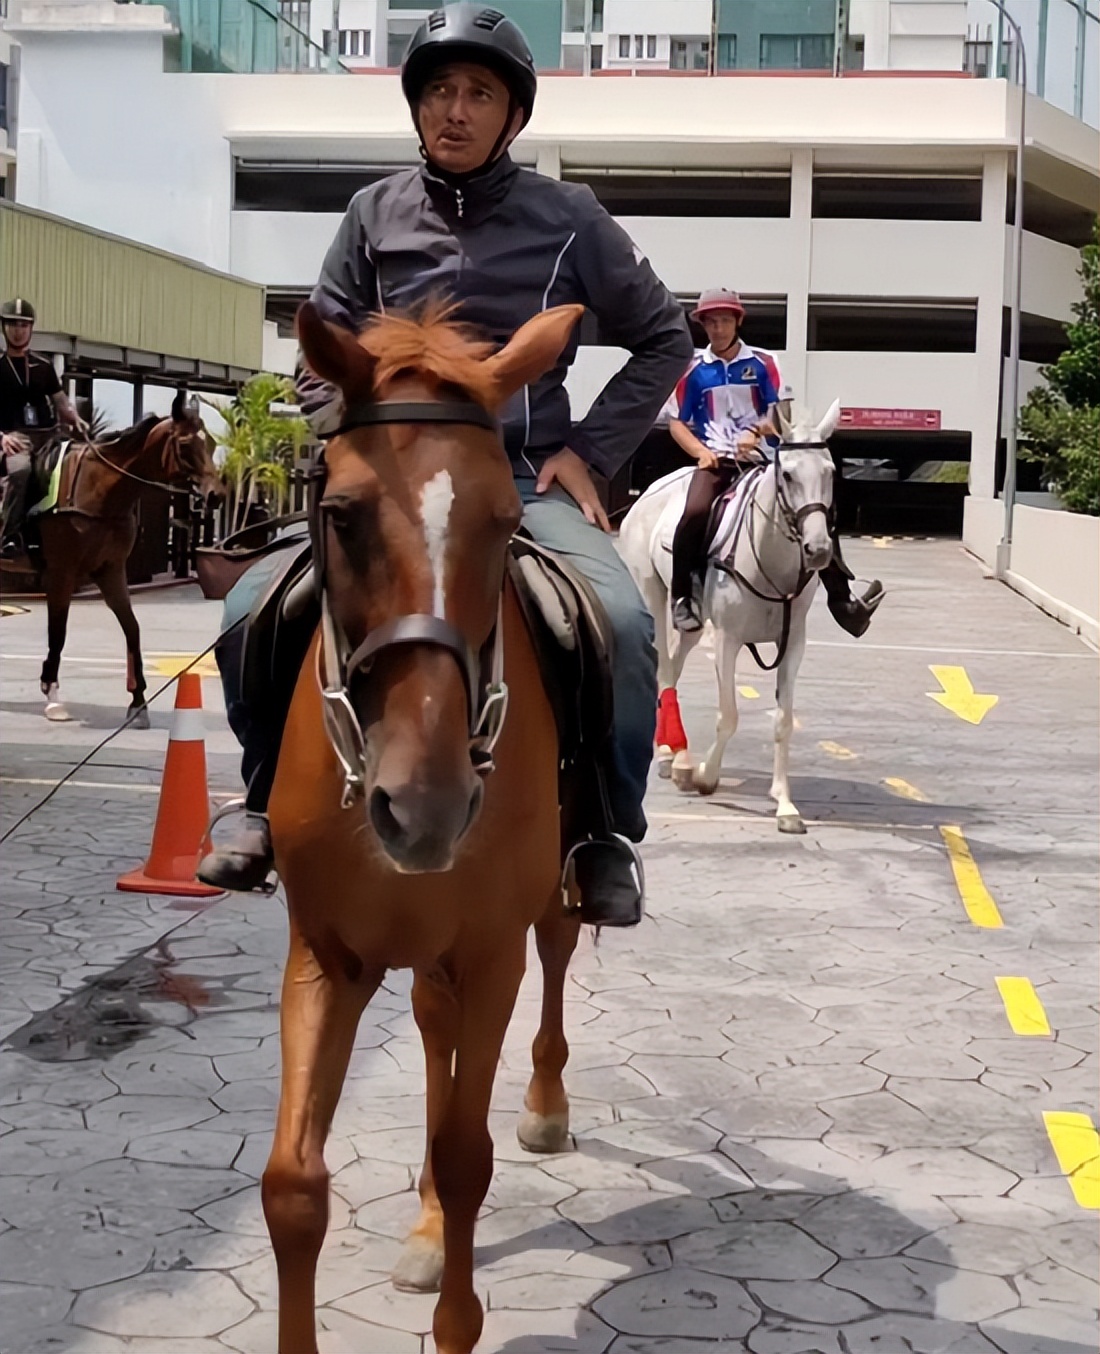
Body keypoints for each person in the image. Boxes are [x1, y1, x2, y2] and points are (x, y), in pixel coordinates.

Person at [197, 2, 694, 926]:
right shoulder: (371, 214)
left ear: (513, 114)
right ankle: (260, 799)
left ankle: (604, 833)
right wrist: (357, 443)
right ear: (416, 107)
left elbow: (666, 338)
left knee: (624, 626)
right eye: (436, 92)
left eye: (477, 93)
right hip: (393, 486)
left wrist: (587, 450)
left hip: (520, 482)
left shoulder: (570, 218)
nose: (454, 111)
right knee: (245, 607)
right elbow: (322, 354)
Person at [668, 287, 884, 636]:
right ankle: (682, 596)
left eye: (725, 320)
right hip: (715, 463)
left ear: (737, 322)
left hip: (763, 462)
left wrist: (756, 431)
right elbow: (676, 421)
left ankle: (842, 600)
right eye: (711, 322)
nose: (718, 328)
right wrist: (700, 452)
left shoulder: (764, 362)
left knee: (815, 510)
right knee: (694, 513)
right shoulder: (692, 369)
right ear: (703, 326)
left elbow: (783, 412)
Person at [0, 298, 88, 557]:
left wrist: (76, 419)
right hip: (15, 438)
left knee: (80, 463)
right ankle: (10, 536)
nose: (19, 330)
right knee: (21, 471)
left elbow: (61, 402)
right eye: (13, 324)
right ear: (4, 328)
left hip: (49, 436)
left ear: (31, 328)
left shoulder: (44, 366)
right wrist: (2, 438)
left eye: (24, 325)